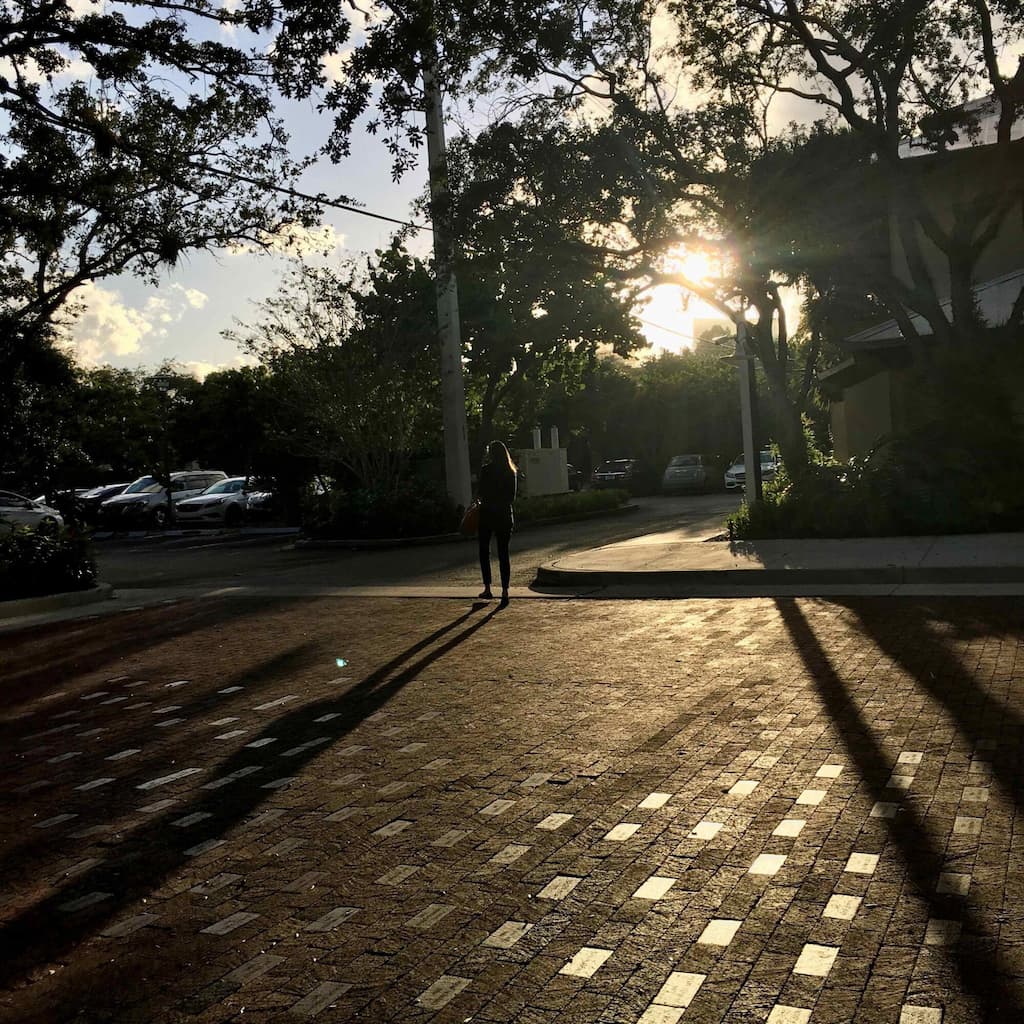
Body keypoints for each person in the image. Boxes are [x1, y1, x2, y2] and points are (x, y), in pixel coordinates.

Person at [476, 440, 517, 607]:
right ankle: (505, 590)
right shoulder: (510, 471)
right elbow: (511, 497)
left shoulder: (486, 470)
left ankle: (487, 587)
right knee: (503, 554)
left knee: (484, 551)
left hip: (487, 514)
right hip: (505, 515)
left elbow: (481, 492)